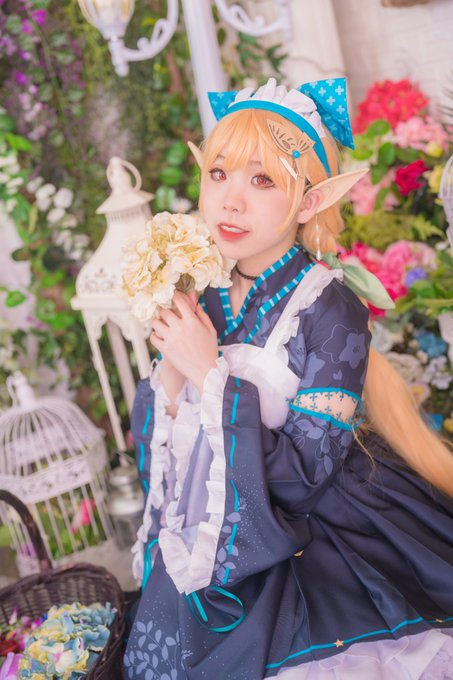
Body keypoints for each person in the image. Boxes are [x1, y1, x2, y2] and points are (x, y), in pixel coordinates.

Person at [124, 78, 453, 680]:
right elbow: (165, 458)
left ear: (308, 202)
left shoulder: (330, 308)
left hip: (316, 530)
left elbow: (303, 479)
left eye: (263, 180)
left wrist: (209, 372)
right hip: (212, 529)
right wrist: (173, 367)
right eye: (218, 173)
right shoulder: (204, 292)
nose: (230, 201)